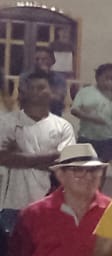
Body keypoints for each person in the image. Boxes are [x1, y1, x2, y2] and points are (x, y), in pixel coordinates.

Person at [1, 71, 77, 231]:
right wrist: (49, 157)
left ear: (52, 92)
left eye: (41, 87)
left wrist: (17, 155)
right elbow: (2, 158)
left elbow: (64, 165)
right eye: (31, 88)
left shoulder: (63, 127)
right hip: (11, 203)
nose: (35, 92)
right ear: (23, 92)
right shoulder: (7, 122)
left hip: (48, 202)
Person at [70, 63, 112, 166]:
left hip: (109, 137)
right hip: (87, 136)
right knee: (85, 167)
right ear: (97, 77)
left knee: (102, 167)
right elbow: (74, 110)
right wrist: (91, 118)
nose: (109, 81)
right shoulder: (85, 92)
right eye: (106, 78)